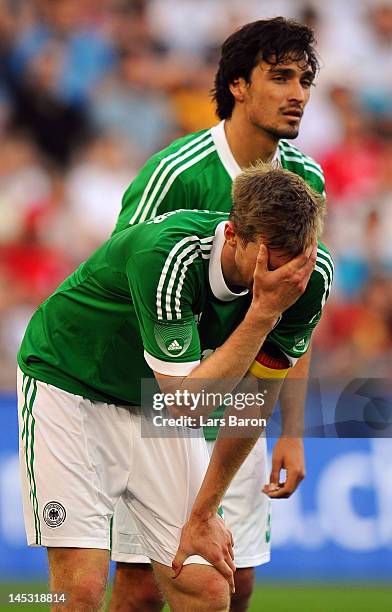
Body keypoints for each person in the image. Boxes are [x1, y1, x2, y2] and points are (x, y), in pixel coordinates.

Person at [17, 164, 332, 612]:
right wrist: (262, 314)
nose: (282, 278)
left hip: (152, 401)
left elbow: (254, 402)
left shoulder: (309, 277)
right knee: (80, 592)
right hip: (70, 387)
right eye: (269, 259)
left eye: (295, 258)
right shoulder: (170, 256)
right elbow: (186, 407)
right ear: (234, 234)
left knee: (206, 590)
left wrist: (205, 512)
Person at [109, 17, 326, 612]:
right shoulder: (174, 174)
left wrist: (294, 433)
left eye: (304, 80)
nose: (298, 94)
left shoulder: (305, 180)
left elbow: (296, 310)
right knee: (141, 587)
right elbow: (124, 291)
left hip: (244, 397)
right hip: (162, 393)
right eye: (280, 77)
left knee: (239, 580)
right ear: (236, 84)